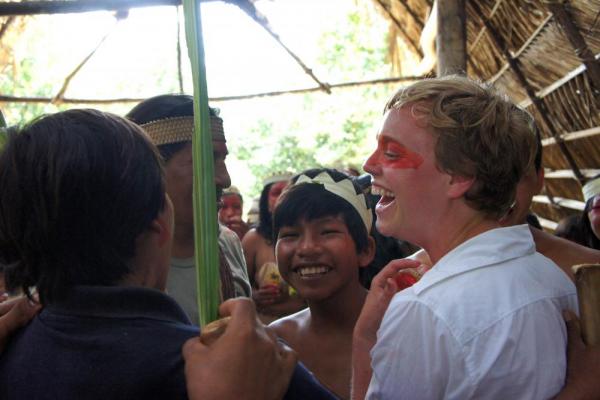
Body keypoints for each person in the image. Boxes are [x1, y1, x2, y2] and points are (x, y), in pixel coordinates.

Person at [0, 109, 335, 400]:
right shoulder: (247, 372)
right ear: (159, 221)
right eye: (207, 160)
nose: (223, 178)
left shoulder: (12, 355)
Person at [352, 76, 578, 399]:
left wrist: (365, 340)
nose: (368, 165)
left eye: (391, 152)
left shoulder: (426, 310)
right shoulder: (552, 279)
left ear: (459, 176)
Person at [127, 95, 251, 325]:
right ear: (153, 170)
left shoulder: (228, 243)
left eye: (223, 159)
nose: (224, 179)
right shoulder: (118, 263)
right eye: (207, 160)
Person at [270, 168, 376, 399]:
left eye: (327, 232)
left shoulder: (402, 326)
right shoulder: (274, 342)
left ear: (365, 250)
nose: (307, 248)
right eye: (290, 235)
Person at [243, 173, 306, 323]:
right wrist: (255, 295)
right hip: (265, 329)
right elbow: (235, 288)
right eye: (276, 193)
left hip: (307, 325)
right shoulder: (253, 239)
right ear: (265, 201)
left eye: (288, 191)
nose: (282, 197)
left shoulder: (310, 237)